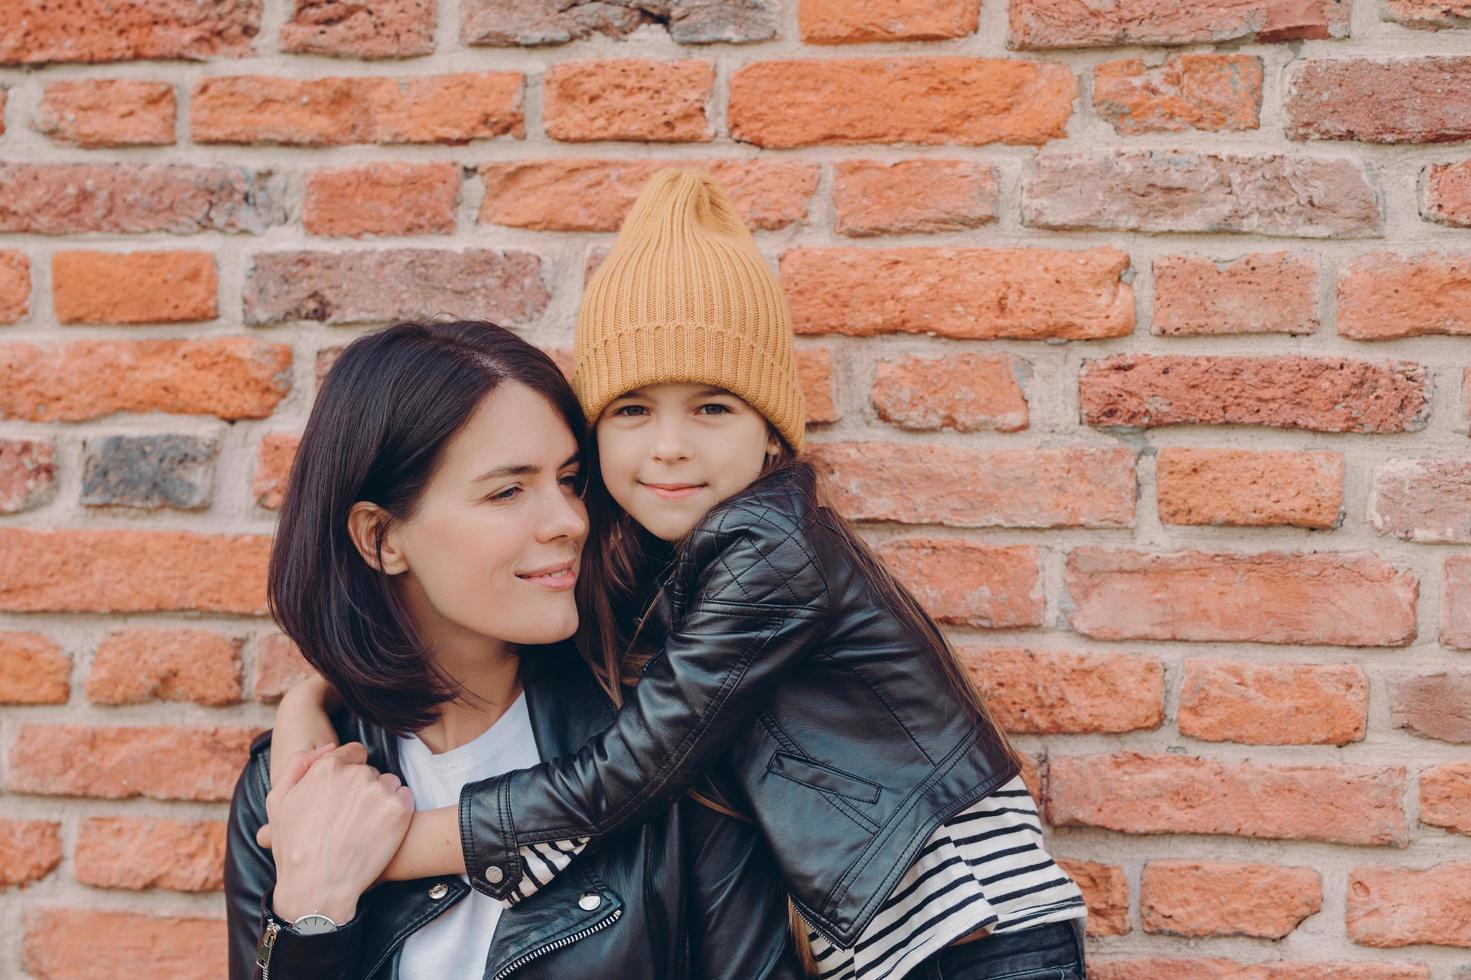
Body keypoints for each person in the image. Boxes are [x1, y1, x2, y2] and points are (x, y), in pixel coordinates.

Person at [271, 171, 1088, 980]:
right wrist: (310, 701)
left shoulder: (773, 550)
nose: (667, 446)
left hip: (982, 937)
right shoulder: (662, 567)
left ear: (770, 435)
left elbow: (631, 771)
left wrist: (395, 848)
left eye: (711, 407)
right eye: (632, 410)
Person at [224, 320, 800, 980]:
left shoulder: (666, 745)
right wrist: (314, 909)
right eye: (507, 490)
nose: (569, 521)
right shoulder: (287, 792)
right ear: (381, 537)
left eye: (570, 479)